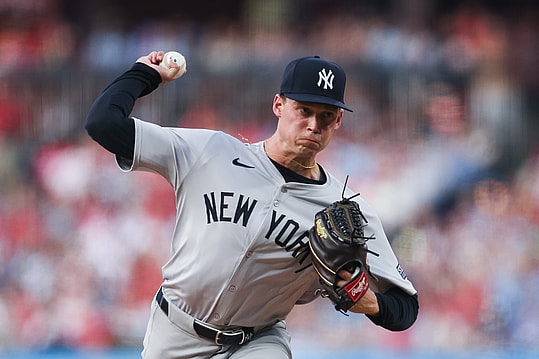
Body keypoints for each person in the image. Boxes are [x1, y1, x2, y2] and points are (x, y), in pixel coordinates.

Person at [85, 51, 419, 359]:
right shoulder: (211, 152)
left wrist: (372, 303)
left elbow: (406, 307)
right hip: (174, 330)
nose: (313, 125)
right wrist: (144, 74)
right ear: (278, 105)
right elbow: (103, 124)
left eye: (326, 116)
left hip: (256, 341)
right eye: (304, 110)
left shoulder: (343, 210)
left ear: (337, 122)